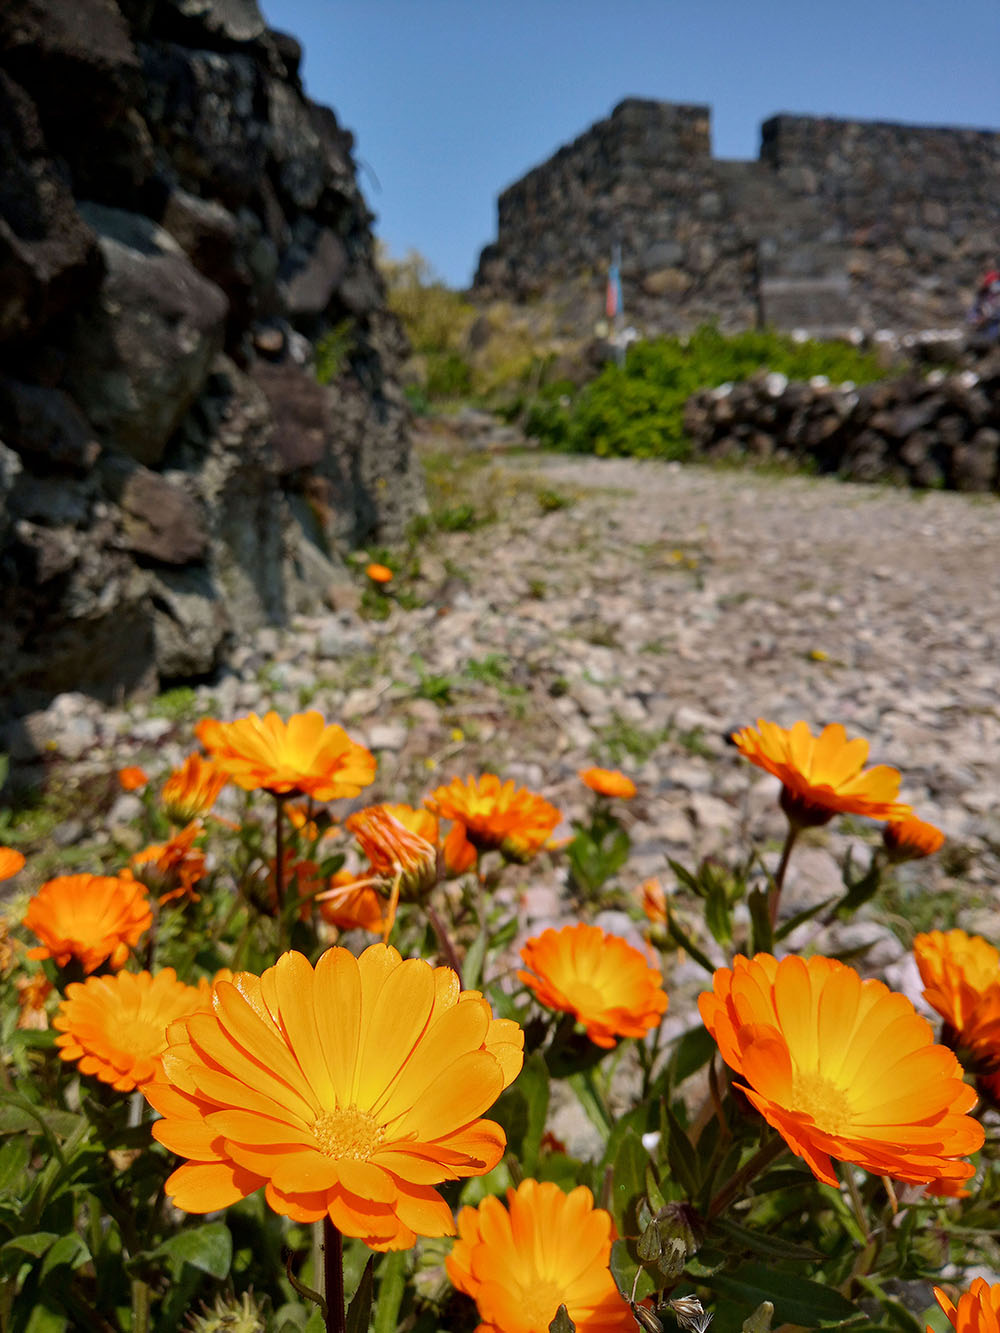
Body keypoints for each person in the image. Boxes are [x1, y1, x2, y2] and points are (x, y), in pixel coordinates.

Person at [968, 269, 1000, 339]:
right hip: (984, 329)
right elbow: (973, 313)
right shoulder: (982, 296)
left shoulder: (995, 296)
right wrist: (977, 320)